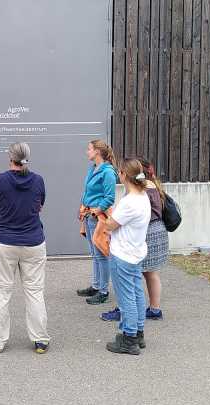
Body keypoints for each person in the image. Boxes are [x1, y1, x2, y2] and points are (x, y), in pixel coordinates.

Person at [0, 143, 50, 354]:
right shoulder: (38, 180)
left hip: (5, 241)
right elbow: (40, 205)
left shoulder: (0, 180)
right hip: (33, 241)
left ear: (10, 158)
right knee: (34, 291)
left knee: (1, 291)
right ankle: (40, 339)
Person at [101, 157, 168, 321]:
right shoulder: (149, 187)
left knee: (131, 284)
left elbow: (113, 223)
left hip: (146, 233)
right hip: (154, 230)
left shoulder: (138, 194)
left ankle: (131, 323)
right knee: (147, 275)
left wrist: (107, 217)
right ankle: (152, 311)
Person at [103, 158, 151, 355]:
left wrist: (107, 213)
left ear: (124, 175)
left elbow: (110, 225)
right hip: (136, 252)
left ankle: (129, 338)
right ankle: (138, 332)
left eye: (119, 172)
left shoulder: (129, 202)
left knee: (126, 297)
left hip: (123, 254)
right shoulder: (143, 196)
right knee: (137, 292)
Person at [76, 140, 117, 304]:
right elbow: (87, 191)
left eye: (89, 149)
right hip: (88, 215)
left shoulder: (108, 172)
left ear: (98, 152)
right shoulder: (93, 169)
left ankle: (104, 291)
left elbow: (110, 197)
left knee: (101, 254)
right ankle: (96, 286)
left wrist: (97, 210)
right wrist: (82, 207)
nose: (87, 152)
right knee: (95, 254)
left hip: (97, 218)